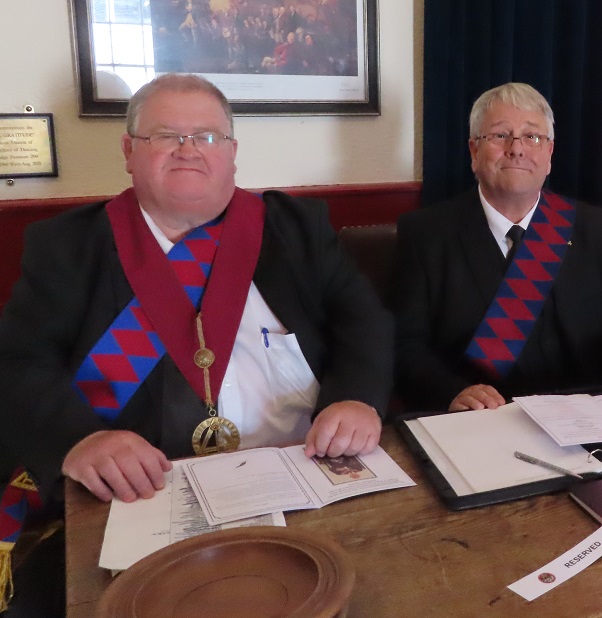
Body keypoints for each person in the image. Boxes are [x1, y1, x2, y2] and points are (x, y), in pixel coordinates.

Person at [0, 73, 392, 507]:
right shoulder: (66, 247)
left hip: (306, 464)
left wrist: (357, 398)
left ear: (232, 152)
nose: (187, 150)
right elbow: (18, 363)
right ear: (129, 150)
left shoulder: (297, 229)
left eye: (207, 137)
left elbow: (364, 323)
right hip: (143, 489)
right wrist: (81, 440)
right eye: (165, 136)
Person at [392, 82, 602, 413]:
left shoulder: (593, 227)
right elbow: (404, 345)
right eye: (500, 135)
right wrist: (452, 392)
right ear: (474, 151)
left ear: (549, 154)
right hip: (484, 419)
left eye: (532, 136)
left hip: (586, 413)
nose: (516, 149)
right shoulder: (427, 234)